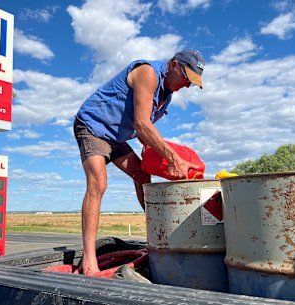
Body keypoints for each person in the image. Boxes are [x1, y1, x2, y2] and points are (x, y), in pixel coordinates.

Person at [73, 50, 206, 275]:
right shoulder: (148, 73)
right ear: (174, 65)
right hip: (92, 126)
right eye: (186, 78)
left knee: (143, 176)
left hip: (115, 136)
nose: (187, 86)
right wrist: (173, 158)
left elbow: (145, 134)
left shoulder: (166, 94)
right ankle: (88, 260)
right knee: (98, 183)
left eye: (192, 83)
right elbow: (143, 124)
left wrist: (166, 159)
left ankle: (157, 236)